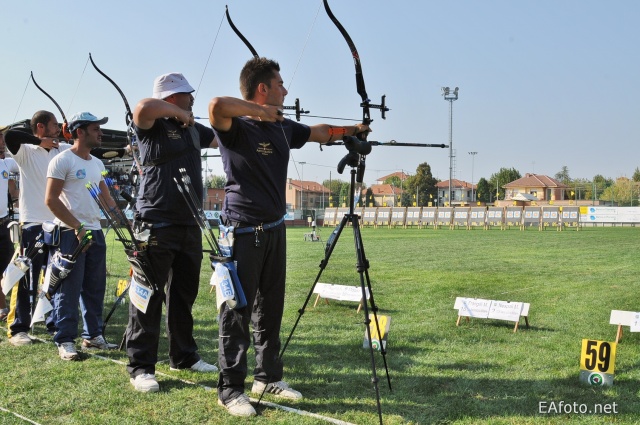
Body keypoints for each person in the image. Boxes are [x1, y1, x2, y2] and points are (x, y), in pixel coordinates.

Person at [208, 57, 370, 417]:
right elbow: (215, 106)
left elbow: (319, 132)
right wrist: (259, 112)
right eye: (279, 84)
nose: (285, 89)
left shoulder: (282, 128)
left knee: (270, 308)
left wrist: (352, 130)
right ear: (262, 88)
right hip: (241, 231)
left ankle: (267, 377)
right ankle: (230, 389)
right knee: (236, 312)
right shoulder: (236, 126)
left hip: (274, 230)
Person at [125, 72, 218, 393]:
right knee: (147, 295)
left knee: (183, 295)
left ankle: (184, 355)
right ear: (173, 97)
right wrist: (180, 115)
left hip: (189, 223)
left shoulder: (194, 130)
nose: (193, 98)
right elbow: (142, 108)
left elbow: (226, 138)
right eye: (187, 95)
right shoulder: (152, 127)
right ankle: (141, 366)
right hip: (154, 222)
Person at [45, 112, 118, 360]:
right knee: (69, 289)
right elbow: (51, 200)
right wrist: (77, 226)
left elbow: (108, 201)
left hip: (95, 232)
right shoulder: (62, 161)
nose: (101, 133)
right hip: (70, 233)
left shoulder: (98, 164)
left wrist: (127, 223)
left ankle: (93, 336)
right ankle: (65, 339)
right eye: (96, 129)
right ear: (80, 132)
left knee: (95, 288)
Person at [4, 112, 71, 345]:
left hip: (58, 222)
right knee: (25, 275)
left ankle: (52, 321)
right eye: (54, 126)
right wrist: (39, 141)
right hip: (33, 223)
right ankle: (18, 327)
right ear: (40, 127)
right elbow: (10, 135)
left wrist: (125, 151)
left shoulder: (61, 150)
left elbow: (90, 151)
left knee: (54, 276)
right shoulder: (25, 152)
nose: (57, 130)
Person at [0, 125, 19, 323]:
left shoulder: (6, 164)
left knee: (8, 268)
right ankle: (3, 308)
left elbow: (29, 161)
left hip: (3, 224)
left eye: (2, 138)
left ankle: (6, 306)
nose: (2, 143)